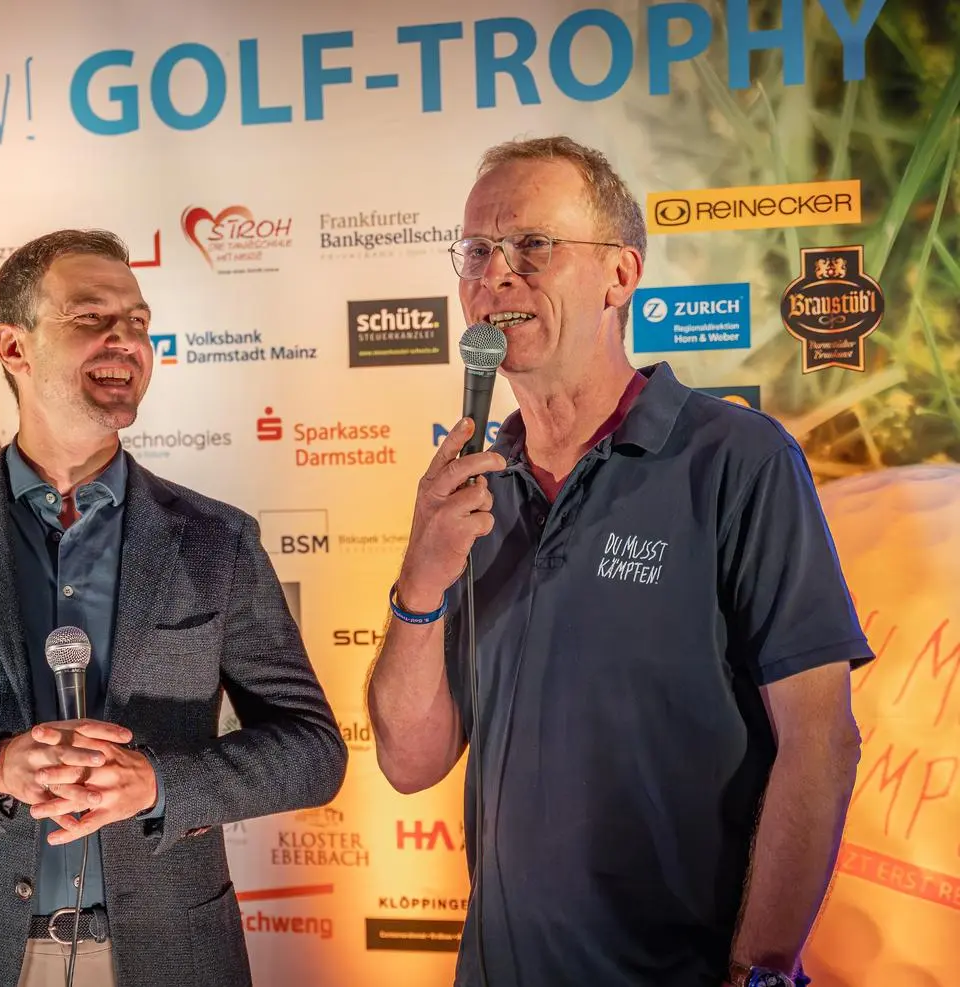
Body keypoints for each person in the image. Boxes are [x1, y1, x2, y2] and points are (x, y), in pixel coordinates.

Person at [366, 137, 870, 987]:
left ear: (621, 275)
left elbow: (821, 742)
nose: (496, 275)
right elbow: (410, 762)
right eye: (477, 251)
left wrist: (756, 973)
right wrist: (418, 583)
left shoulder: (735, 459)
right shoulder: (472, 490)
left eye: (532, 245)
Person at [0, 229, 345, 987]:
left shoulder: (216, 538)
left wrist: (159, 783)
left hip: (173, 954)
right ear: (13, 347)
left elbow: (313, 751)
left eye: (138, 321)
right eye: (92, 316)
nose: (126, 339)